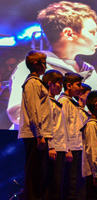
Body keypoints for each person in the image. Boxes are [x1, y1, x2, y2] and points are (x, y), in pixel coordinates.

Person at [7, 1, 97, 129]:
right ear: (68, 33)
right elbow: (19, 112)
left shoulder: (88, 71)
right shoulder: (31, 67)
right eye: (92, 32)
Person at [18, 50, 52, 200]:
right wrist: (39, 134)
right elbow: (33, 110)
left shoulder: (37, 82)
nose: (46, 66)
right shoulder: (32, 83)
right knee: (34, 173)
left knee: (39, 174)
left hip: (39, 134)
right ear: (36, 64)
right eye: (44, 63)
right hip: (34, 135)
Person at [58, 72, 85, 200]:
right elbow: (63, 126)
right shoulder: (63, 101)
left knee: (76, 183)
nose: (80, 88)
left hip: (77, 147)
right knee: (70, 183)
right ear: (68, 85)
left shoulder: (73, 102)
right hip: (70, 149)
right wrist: (67, 148)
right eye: (78, 85)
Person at [42, 70, 67, 200]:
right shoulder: (47, 102)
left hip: (61, 148)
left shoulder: (56, 103)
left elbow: (61, 129)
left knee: (58, 185)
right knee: (52, 185)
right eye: (59, 83)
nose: (61, 86)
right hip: (54, 148)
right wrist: (51, 146)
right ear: (50, 84)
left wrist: (66, 148)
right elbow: (48, 125)